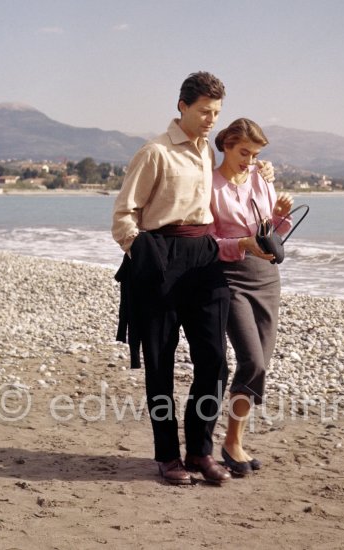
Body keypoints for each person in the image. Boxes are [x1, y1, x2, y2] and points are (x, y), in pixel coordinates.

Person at [111, 73, 274, 486]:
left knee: (214, 362)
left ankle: (200, 451)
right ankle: (167, 456)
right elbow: (123, 216)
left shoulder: (205, 151)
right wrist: (141, 251)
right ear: (181, 105)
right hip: (160, 257)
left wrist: (263, 173)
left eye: (216, 113)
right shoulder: (155, 153)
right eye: (204, 111)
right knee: (160, 365)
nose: (210, 120)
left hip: (203, 258)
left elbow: (236, 177)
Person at [209, 118, 293, 475]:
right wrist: (241, 244)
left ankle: (233, 441)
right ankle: (228, 442)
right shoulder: (209, 186)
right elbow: (207, 243)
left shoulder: (261, 179)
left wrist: (280, 215)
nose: (249, 160)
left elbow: (268, 233)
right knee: (252, 361)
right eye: (244, 152)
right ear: (226, 144)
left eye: (255, 154)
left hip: (267, 278)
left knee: (260, 366)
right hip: (230, 278)